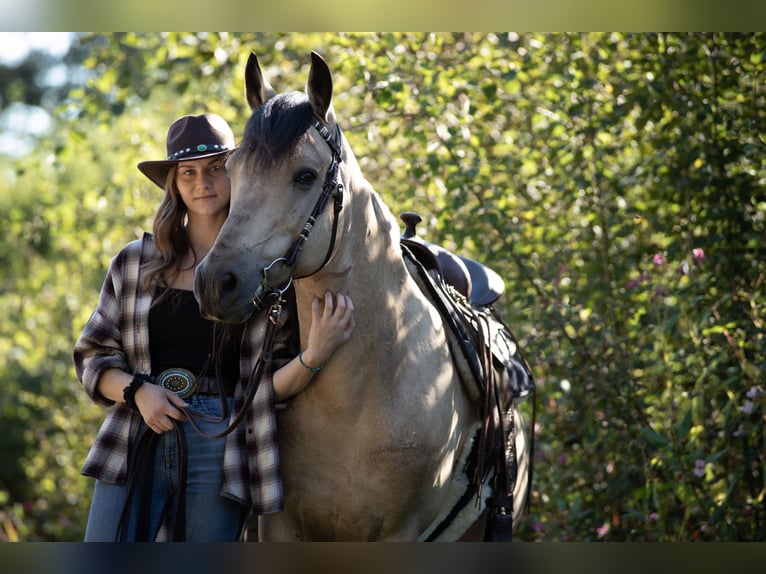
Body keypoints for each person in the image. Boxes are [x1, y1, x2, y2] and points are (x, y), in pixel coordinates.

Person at [73, 113, 355, 541]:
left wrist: (314, 355)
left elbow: (265, 388)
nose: (202, 182)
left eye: (215, 169)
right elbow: (94, 357)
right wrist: (138, 392)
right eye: (188, 172)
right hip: (136, 431)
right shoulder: (136, 261)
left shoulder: (265, 270)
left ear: (236, 173)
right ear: (174, 183)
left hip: (222, 442)